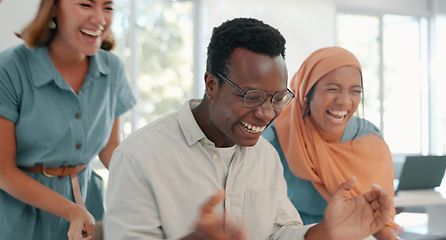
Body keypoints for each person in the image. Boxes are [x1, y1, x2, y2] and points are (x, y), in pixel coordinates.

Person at [104, 18, 396, 240]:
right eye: (252, 97)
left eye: (278, 98)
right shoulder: (139, 156)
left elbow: (279, 232)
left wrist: (324, 232)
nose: (267, 113)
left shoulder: (264, 156)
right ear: (211, 85)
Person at [0, 0, 136, 239]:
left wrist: (146, 181)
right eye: (85, 4)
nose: (100, 19)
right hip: (15, 213)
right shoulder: (10, 68)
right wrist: (70, 210)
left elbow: (110, 147)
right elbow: (3, 169)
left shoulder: (112, 68)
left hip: (86, 203)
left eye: (108, 7)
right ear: (53, 8)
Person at [262, 46, 401, 239]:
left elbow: (378, 218)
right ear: (306, 91)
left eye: (355, 91)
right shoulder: (270, 139)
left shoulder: (369, 138)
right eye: (332, 89)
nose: (344, 102)